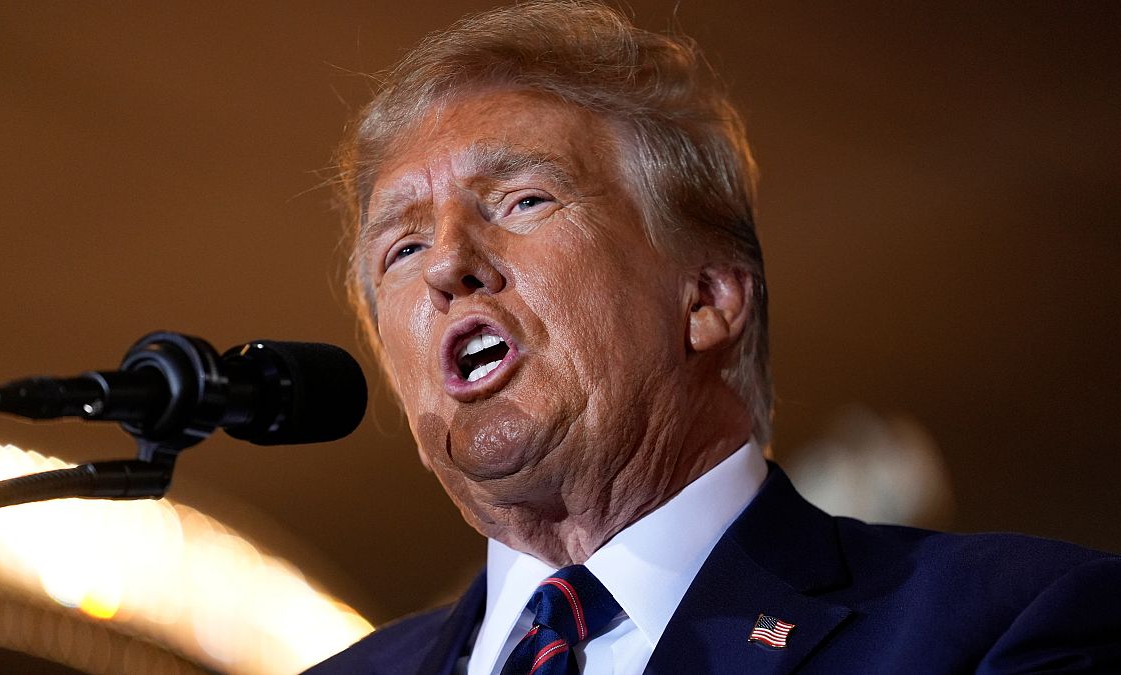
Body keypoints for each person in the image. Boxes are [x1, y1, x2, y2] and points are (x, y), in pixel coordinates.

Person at [306, 2, 1121, 673]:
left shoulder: (1007, 624)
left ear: (708, 296)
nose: (447, 262)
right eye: (402, 248)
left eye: (522, 201)